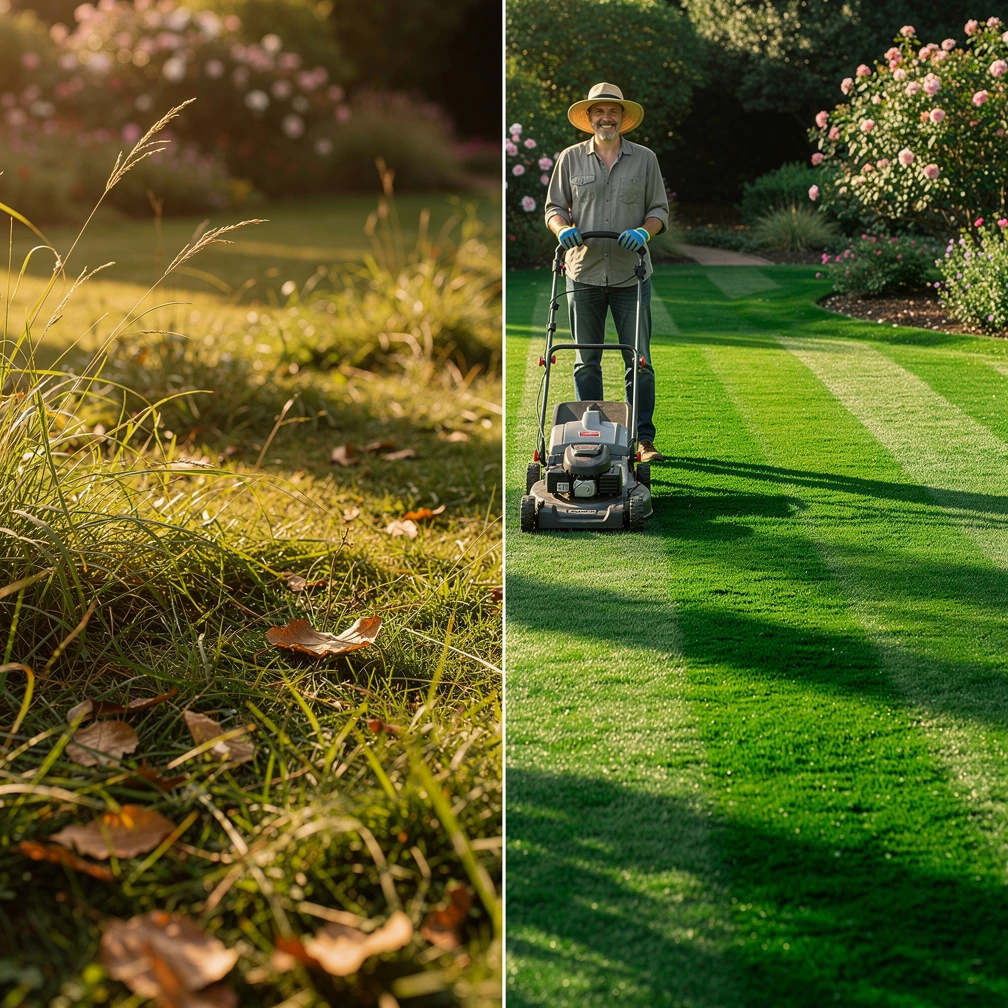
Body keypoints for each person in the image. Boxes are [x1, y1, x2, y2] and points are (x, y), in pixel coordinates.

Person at [544, 82, 669, 462]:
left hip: (631, 274)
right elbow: (553, 207)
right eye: (599, 112)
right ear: (589, 118)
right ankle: (592, 435)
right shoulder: (570, 159)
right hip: (583, 273)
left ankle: (643, 440)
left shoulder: (645, 159)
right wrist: (562, 227)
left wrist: (643, 231)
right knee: (586, 361)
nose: (606, 118)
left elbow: (659, 211)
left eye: (612, 112)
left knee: (639, 359)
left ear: (622, 118)